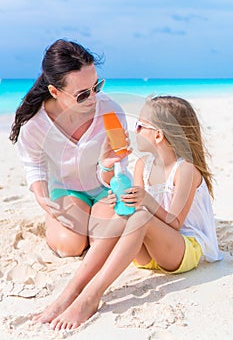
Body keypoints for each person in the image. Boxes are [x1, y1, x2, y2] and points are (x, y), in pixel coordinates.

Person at [32, 95, 222, 330]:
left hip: (183, 250)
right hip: (149, 254)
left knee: (141, 216)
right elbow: (135, 208)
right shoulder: (143, 165)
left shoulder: (185, 170)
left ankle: (91, 296)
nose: (134, 129)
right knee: (124, 215)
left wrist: (146, 201)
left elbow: (174, 221)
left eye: (140, 125)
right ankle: (70, 292)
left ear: (159, 135)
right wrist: (112, 181)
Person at [9, 38, 131, 258]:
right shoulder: (35, 124)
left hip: (107, 187)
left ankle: (90, 219)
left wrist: (107, 167)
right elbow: (33, 164)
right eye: (83, 94)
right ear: (55, 92)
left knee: (103, 244)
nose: (94, 97)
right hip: (67, 189)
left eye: (97, 87)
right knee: (70, 247)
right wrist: (42, 198)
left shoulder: (111, 111)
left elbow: (120, 167)